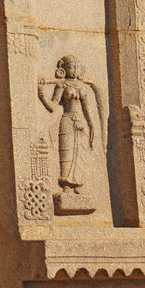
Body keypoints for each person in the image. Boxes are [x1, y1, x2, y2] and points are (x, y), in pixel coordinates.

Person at [38, 55, 104, 194]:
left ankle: (78, 183)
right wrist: (42, 95)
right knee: (67, 152)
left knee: (80, 152)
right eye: (71, 67)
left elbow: (87, 109)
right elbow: (53, 107)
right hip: (67, 120)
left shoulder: (82, 86)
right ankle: (66, 184)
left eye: (76, 67)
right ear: (64, 69)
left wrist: (92, 124)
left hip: (81, 121)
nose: (74, 70)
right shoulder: (61, 85)